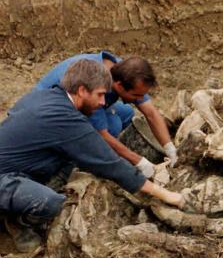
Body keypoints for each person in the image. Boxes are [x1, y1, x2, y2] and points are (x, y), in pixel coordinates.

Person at [0, 59, 184, 252]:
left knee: (73, 156)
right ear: (81, 90)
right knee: (52, 203)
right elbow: (110, 162)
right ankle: (16, 222)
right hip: (4, 178)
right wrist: (167, 195)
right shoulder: (64, 119)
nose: (103, 102)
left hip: (17, 165)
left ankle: (25, 196)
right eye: (100, 95)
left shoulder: (49, 96)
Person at [34, 50, 178, 178]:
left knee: (126, 113)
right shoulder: (94, 86)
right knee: (113, 126)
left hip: (81, 103)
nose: (139, 100)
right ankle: (77, 165)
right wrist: (139, 162)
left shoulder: (122, 70)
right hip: (50, 115)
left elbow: (151, 113)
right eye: (136, 95)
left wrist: (170, 148)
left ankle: (119, 153)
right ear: (119, 86)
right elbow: (102, 134)